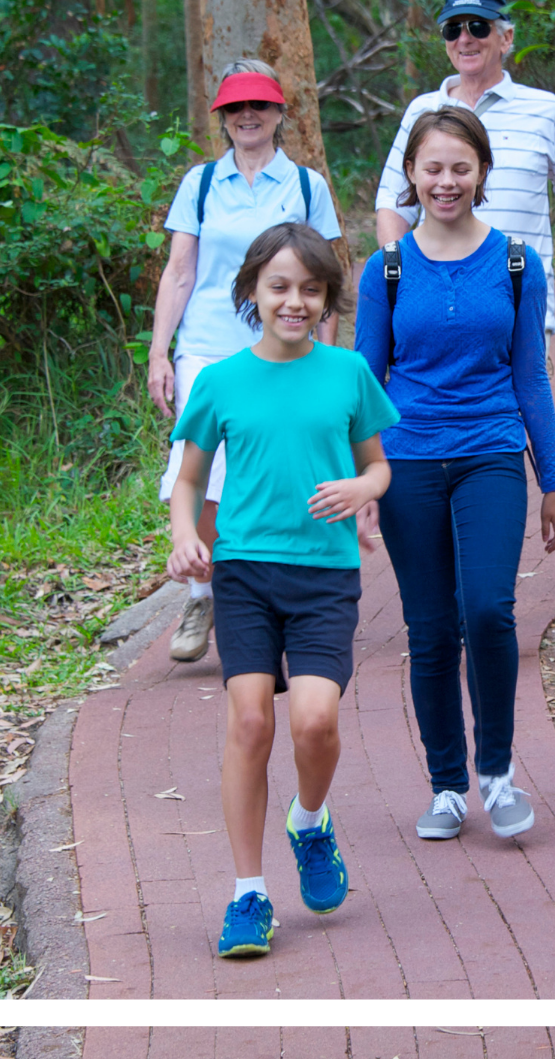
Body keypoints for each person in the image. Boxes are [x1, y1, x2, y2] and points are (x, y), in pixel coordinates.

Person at [166, 222, 397, 958]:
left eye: (310, 289)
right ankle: (248, 895)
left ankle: (309, 820)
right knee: (250, 725)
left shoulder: (348, 373)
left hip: (325, 577)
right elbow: (191, 479)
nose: (294, 302)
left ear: (327, 299)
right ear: (251, 293)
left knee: (316, 723)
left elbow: (379, 467)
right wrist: (184, 535)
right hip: (245, 575)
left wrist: (360, 487)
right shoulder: (221, 381)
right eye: (279, 287)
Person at [355, 106, 555, 841]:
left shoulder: (515, 263)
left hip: (490, 454)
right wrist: (363, 484)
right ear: (411, 177)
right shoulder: (384, 270)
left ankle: (498, 774)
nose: (446, 182)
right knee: (431, 626)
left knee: (487, 608)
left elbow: (531, 377)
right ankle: (447, 785)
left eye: (459, 167)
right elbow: (366, 385)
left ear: (481, 172)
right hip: (409, 460)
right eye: (432, 168)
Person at [146, 60, 343, 665]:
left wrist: (328, 360)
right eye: (234, 108)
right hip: (207, 347)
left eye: (259, 105)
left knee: (282, 472)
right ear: (223, 119)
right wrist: (160, 351)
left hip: (286, 348)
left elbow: (330, 275)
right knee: (201, 475)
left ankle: (277, 597)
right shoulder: (201, 184)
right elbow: (180, 272)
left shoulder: (305, 185)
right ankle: (203, 594)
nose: (247, 116)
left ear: (281, 113)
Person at [373, 0, 555, 353]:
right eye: (453, 28)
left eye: (478, 27)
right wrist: (404, 284)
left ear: (506, 38)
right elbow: (394, 205)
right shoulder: (421, 112)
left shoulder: (545, 110)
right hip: (438, 305)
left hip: (519, 307)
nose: (465, 39)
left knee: (522, 410)